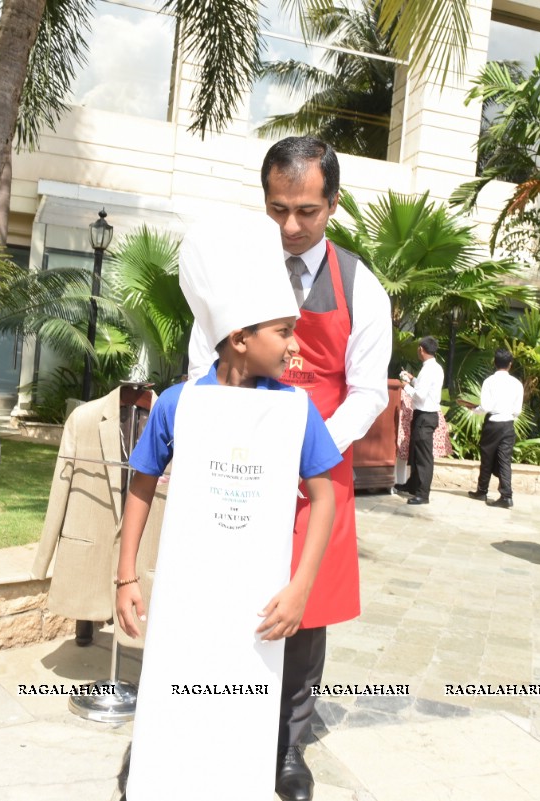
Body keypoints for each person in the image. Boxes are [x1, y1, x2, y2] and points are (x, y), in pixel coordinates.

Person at [188, 136, 391, 801]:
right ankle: (218, 713)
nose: (290, 227)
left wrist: (306, 447)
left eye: (306, 210)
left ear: (331, 203)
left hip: (316, 467)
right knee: (228, 589)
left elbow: (365, 392)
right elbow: (201, 364)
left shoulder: (362, 286)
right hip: (236, 455)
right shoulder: (236, 270)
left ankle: (287, 746)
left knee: (305, 610)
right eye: (277, 209)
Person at [117, 213, 341, 801]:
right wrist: (125, 577)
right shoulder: (178, 403)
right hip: (188, 591)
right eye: (284, 331)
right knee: (179, 689)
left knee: (244, 699)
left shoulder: (296, 410)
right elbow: (141, 482)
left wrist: (301, 588)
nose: (294, 346)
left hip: (259, 596)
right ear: (240, 337)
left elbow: (324, 497)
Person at [465, 348, 523, 508]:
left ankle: (482, 490)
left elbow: (485, 406)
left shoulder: (489, 381)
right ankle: (506, 495)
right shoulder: (517, 384)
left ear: (494, 363)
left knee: (487, 456)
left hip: (493, 423)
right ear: (510, 365)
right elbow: (517, 410)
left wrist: (474, 410)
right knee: (505, 460)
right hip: (508, 423)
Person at [395, 337, 443, 505]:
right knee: (415, 452)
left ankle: (423, 493)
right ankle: (413, 485)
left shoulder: (429, 370)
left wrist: (405, 386)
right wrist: (412, 379)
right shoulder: (435, 368)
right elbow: (424, 387)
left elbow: (420, 395)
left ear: (421, 349)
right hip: (424, 415)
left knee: (423, 456)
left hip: (425, 414)